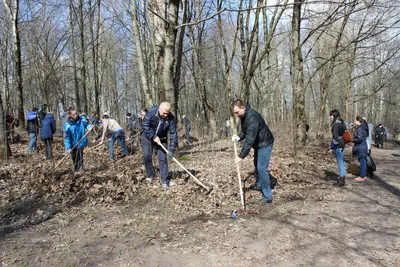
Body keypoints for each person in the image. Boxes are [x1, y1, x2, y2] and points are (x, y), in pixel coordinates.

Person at [231, 100, 275, 204]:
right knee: (256, 164)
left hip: (265, 143)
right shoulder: (244, 116)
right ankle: (260, 184)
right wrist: (239, 137)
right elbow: (246, 131)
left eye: (237, 112)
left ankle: (267, 196)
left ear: (243, 108)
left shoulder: (252, 117)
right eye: (235, 113)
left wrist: (241, 156)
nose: (236, 115)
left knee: (261, 168)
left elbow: (250, 139)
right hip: (259, 143)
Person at [142, 102, 177, 189]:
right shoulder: (151, 112)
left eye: (167, 113)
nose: (165, 115)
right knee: (147, 156)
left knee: (162, 158)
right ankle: (151, 175)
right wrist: (153, 136)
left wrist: (172, 149)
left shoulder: (171, 118)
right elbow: (145, 125)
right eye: (164, 113)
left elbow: (173, 133)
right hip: (148, 137)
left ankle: (164, 181)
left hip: (162, 137)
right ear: (159, 109)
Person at [64, 108, 91, 172]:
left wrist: (89, 127)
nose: (76, 115)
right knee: (74, 159)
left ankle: (81, 170)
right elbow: (67, 137)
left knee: (80, 157)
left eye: (76, 114)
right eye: (74, 114)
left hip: (81, 142)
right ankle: (76, 170)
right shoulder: (67, 125)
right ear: (70, 115)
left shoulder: (82, 119)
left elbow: (87, 124)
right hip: (73, 144)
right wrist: (68, 147)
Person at [329, 109, 346, 186]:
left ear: (334, 115)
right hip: (342, 143)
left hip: (338, 144)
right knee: (341, 161)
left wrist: (332, 147)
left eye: (331, 115)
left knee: (340, 162)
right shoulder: (342, 123)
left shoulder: (336, 124)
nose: (330, 117)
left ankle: (342, 179)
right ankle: (342, 177)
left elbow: (335, 137)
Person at [353, 116, 369, 182]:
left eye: (356, 120)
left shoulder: (360, 129)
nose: (355, 122)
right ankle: (364, 175)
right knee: (363, 162)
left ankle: (362, 176)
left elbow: (359, 139)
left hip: (360, 147)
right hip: (364, 146)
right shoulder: (364, 127)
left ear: (358, 121)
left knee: (362, 162)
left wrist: (353, 140)